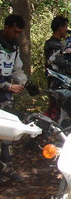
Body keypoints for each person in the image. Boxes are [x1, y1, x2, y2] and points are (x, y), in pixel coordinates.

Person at [0, 14, 28, 182]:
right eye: (15, 31)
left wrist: (23, 81)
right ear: (6, 27)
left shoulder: (14, 45)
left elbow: (17, 68)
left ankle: (6, 167)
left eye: (19, 32)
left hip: (5, 96)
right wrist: (7, 86)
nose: (16, 35)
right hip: (4, 88)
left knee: (7, 133)